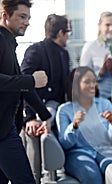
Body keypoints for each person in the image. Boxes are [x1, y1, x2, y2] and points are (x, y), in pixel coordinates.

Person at [0, 0, 51, 183]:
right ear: (5, 15)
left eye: (28, 17)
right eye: (22, 16)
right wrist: (31, 80)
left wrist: (45, 115)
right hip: (3, 133)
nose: (27, 22)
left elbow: (20, 86)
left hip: (7, 128)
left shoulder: (9, 43)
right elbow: (20, 82)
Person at [56, 66, 112, 184]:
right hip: (78, 154)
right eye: (87, 82)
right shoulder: (64, 110)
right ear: (76, 85)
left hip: (106, 150)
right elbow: (65, 144)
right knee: (92, 176)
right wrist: (74, 125)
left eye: (94, 81)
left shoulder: (105, 104)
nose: (93, 85)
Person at [20, 14, 71, 184]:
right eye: (68, 33)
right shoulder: (35, 51)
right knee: (34, 136)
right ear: (61, 33)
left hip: (54, 112)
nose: (68, 37)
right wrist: (30, 118)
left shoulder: (64, 54)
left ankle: (53, 177)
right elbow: (23, 84)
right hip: (34, 112)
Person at [80, 11, 112, 99]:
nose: (111, 28)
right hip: (99, 96)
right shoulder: (89, 47)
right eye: (107, 25)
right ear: (99, 26)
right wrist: (101, 72)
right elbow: (82, 76)